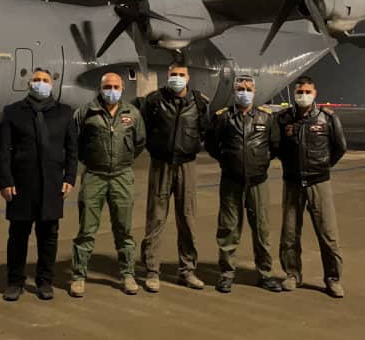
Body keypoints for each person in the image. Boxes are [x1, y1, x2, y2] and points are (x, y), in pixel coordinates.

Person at [0, 68, 78, 301]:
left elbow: (72, 149)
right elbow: (3, 150)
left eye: (44, 80)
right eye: (36, 80)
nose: (40, 83)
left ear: (52, 84)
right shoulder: (13, 112)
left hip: (52, 184)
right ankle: (15, 282)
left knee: (48, 236)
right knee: (18, 235)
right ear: (29, 84)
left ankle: (45, 281)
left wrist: (70, 178)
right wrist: (5, 181)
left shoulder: (64, 113)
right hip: (21, 184)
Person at [70, 73, 146, 297]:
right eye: (107, 86)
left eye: (115, 86)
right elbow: (74, 142)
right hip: (94, 176)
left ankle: (128, 274)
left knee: (124, 229)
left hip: (122, 176)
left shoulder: (132, 113)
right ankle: (79, 275)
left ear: (122, 88)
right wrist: (91, 160)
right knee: (86, 229)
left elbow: (139, 142)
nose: (111, 90)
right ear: (100, 88)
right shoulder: (86, 112)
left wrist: (123, 160)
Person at [205, 75, 282, 294]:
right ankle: (227, 273)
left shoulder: (266, 117)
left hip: (258, 182)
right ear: (234, 92)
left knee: (261, 228)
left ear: (254, 92)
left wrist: (260, 162)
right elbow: (211, 143)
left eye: (248, 89)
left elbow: (275, 145)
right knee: (228, 229)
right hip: (231, 181)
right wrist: (227, 160)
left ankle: (265, 273)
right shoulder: (223, 117)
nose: (244, 92)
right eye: (240, 89)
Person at [139, 62, 210, 292]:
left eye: (181, 74)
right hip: (160, 164)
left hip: (187, 165)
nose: (177, 78)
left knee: (187, 218)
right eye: (173, 74)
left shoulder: (199, 102)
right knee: (156, 218)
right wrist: (155, 149)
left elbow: (206, 131)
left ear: (188, 78)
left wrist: (191, 147)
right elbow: (143, 130)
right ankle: (152, 271)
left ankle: (187, 270)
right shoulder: (154, 101)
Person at [274, 75, 347, 298]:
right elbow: (277, 147)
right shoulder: (283, 119)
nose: (303, 96)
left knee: (328, 234)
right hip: (293, 182)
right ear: (294, 94)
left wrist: (322, 166)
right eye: (300, 92)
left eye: (307, 92)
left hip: (319, 182)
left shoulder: (327, 118)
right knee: (289, 233)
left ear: (315, 94)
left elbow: (340, 147)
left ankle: (333, 278)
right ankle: (292, 274)